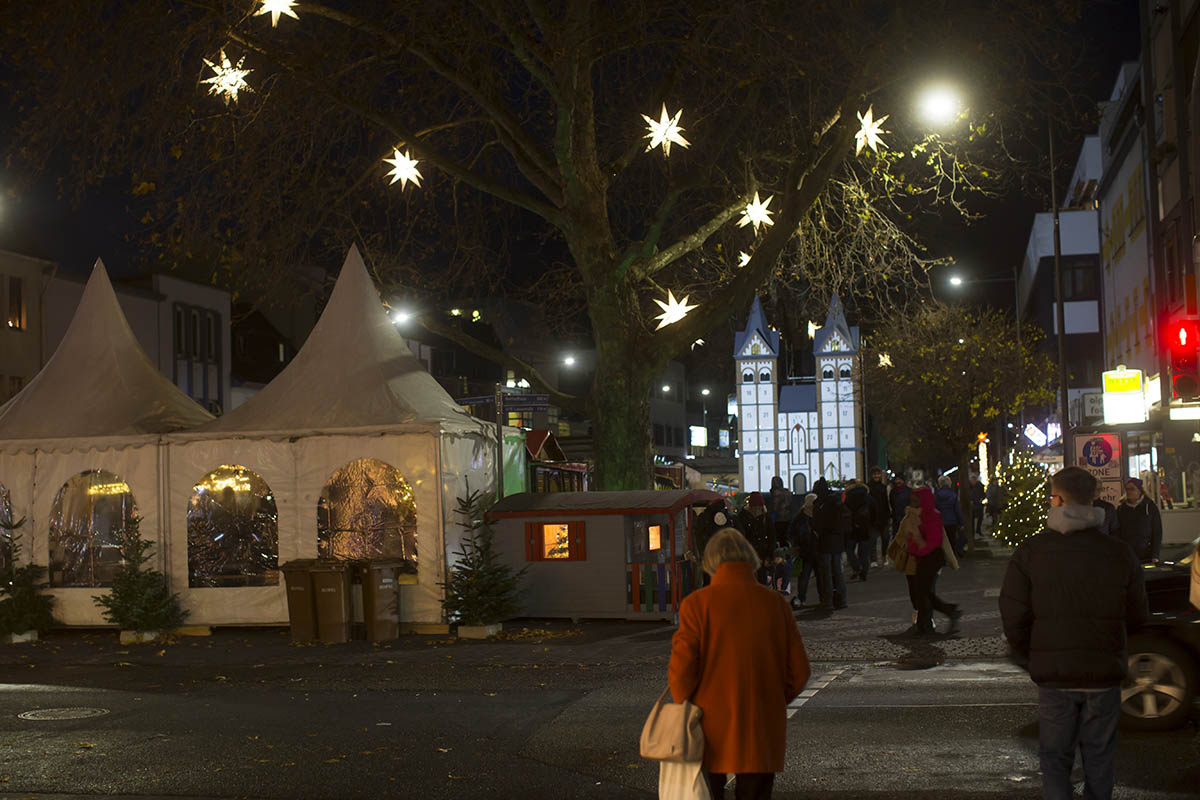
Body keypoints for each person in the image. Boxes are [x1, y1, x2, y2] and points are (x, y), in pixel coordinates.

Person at [999, 466, 1148, 800]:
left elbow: (1013, 613)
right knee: (1099, 757)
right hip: (1103, 674)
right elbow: (1138, 615)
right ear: (1092, 501)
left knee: (1055, 758)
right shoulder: (1119, 552)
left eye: (1052, 497)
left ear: (1060, 500)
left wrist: (1033, 651)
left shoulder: (1032, 552)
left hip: (1056, 677)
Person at [669, 527, 812, 800]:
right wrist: (773, 699)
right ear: (751, 559)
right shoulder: (775, 604)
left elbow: (682, 672)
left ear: (710, 562)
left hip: (708, 722)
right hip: (762, 721)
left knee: (707, 792)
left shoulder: (696, 605)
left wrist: (685, 705)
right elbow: (800, 671)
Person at [903, 487, 961, 636]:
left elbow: (934, 541)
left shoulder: (932, 515)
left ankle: (947, 612)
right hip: (921, 557)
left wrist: (917, 545)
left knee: (924, 592)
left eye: (916, 500)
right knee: (923, 592)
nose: (913, 502)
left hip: (931, 558)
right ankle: (926, 624)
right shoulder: (916, 514)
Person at [813, 482, 850, 610]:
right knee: (837, 571)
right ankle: (841, 599)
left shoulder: (819, 504)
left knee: (826, 573)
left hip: (825, 541)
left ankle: (828, 601)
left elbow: (816, 524)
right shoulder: (836, 502)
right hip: (838, 540)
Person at [1115, 478, 1163, 563]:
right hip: (1128, 552)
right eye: (1127, 489)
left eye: (1132, 489)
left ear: (1139, 490)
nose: (1129, 492)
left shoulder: (1149, 506)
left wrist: (1155, 554)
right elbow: (1118, 530)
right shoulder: (1122, 508)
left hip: (1145, 551)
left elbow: (1157, 531)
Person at [786, 493, 818, 608]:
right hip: (811, 549)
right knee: (812, 575)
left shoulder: (800, 516)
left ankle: (802, 598)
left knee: (805, 575)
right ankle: (822, 597)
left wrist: (796, 544)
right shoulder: (817, 514)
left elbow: (791, 532)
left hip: (806, 550)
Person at [843, 479, 877, 581]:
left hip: (852, 528)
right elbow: (874, 513)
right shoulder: (869, 498)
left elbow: (845, 513)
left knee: (849, 549)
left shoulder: (848, 498)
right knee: (864, 552)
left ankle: (856, 567)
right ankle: (864, 573)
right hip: (866, 528)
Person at [738, 492, 775, 584]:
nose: (756, 509)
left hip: (758, 551)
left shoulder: (744, 516)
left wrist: (769, 556)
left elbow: (772, 537)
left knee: (758, 577)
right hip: (752, 551)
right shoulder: (764, 517)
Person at [934, 475, 965, 558]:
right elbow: (957, 510)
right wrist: (961, 522)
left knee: (942, 541)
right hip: (952, 521)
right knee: (951, 540)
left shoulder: (936, 495)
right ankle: (950, 558)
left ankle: (942, 557)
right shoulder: (953, 495)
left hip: (940, 521)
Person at [867, 467, 890, 565]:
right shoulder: (868, 487)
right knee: (873, 539)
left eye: (878, 474)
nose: (876, 476)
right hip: (872, 517)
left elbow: (886, 502)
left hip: (883, 516)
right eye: (874, 474)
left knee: (885, 538)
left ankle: (884, 556)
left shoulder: (883, 487)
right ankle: (873, 559)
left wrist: (888, 514)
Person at [768, 475, 793, 547]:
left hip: (778, 519)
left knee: (779, 538)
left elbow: (775, 507)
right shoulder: (787, 492)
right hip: (787, 518)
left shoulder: (776, 493)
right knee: (785, 538)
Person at [889, 476, 911, 543]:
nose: (898, 481)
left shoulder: (909, 491)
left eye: (900, 479)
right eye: (896, 479)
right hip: (896, 518)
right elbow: (892, 503)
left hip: (906, 518)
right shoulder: (893, 492)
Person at [968, 474, 986, 541]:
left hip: (978, 504)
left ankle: (977, 531)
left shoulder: (979, 486)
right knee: (973, 519)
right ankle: (974, 532)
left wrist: (981, 499)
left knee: (979, 519)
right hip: (974, 505)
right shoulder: (970, 486)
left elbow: (983, 494)